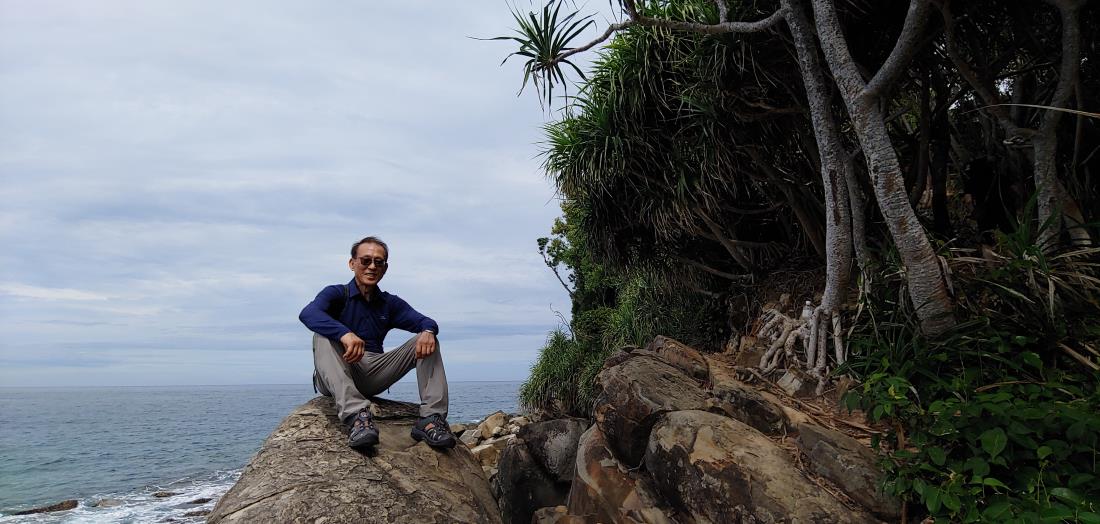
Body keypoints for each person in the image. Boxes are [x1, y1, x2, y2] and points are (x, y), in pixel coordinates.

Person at [299, 236, 456, 450]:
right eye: (365, 260)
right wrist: (344, 334)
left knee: (428, 340)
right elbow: (308, 313)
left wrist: (428, 331)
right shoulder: (336, 294)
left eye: (378, 262)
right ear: (352, 263)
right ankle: (357, 418)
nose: (372, 266)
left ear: (385, 268)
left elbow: (425, 321)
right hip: (337, 371)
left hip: (373, 371)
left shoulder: (389, 303)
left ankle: (431, 419)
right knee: (322, 336)